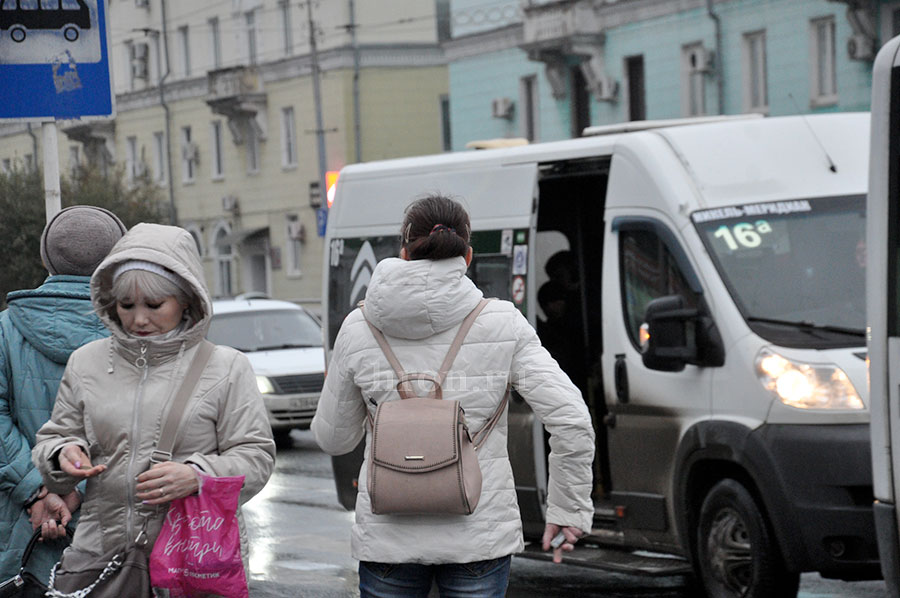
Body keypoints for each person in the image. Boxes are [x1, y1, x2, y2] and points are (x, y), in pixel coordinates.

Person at [312, 194, 595, 598]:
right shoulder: (502, 323)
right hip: (478, 535)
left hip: (388, 536)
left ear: (403, 251)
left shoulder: (358, 327)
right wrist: (567, 508)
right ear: (467, 255)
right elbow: (571, 419)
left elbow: (334, 438)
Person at [31, 223, 276, 593]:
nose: (139, 319)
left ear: (187, 300)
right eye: (126, 305)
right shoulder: (86, 362)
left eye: (154, 305)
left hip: (192, 561)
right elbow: (55, 437)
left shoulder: (226, 367)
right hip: (102, 557)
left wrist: (196, 475)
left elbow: (256, 457)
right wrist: (63, 454)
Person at [0, 205, 126, 593]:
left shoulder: (5, 329)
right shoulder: (134, 331)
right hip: (110, 533)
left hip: (20, 527)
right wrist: (75, 494)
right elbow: (136, 426)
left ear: (46, 256)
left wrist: (39, 490)